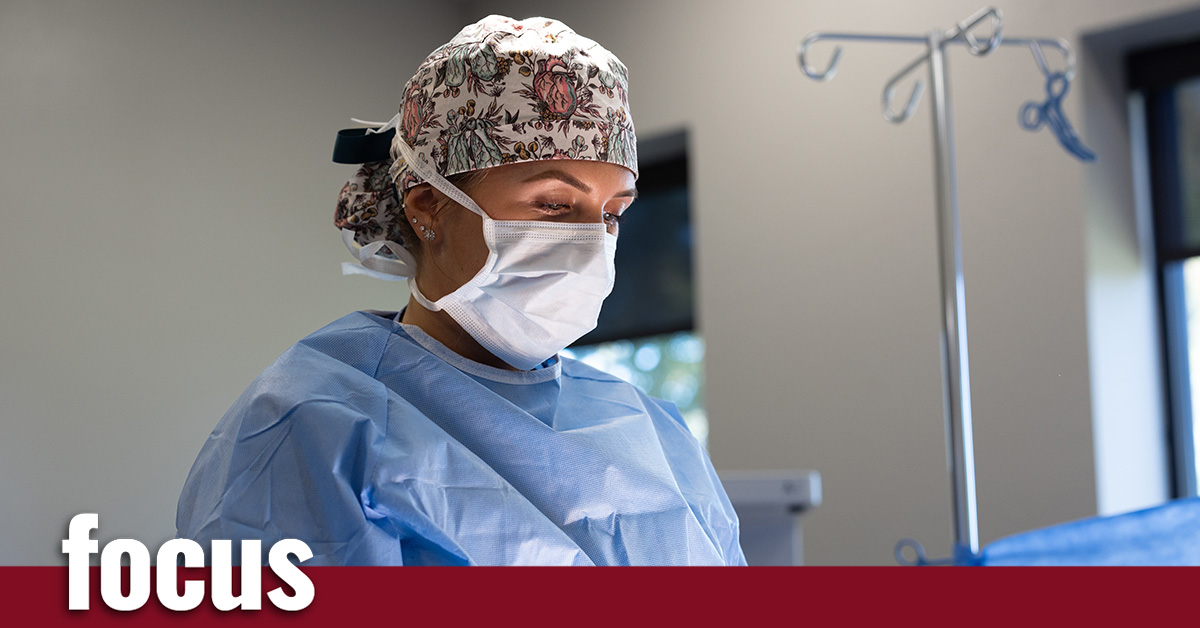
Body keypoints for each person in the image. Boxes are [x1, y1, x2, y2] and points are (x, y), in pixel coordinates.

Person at [176, 15, 745, 566]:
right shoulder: (315, 425)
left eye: (613, 213)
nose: (592, 242)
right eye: (551, 204)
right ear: (430, 207)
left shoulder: (656, 435)